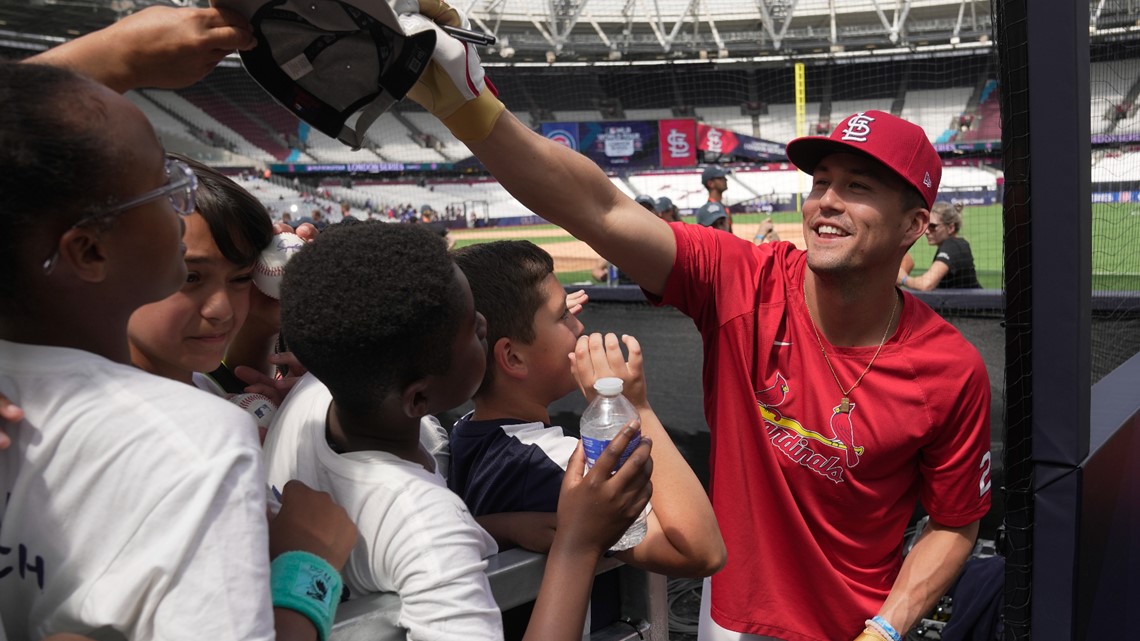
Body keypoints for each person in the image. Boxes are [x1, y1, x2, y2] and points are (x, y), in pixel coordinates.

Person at [395, 11, 992, 640]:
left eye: (858, 186)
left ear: (913, 226)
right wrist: (469, 106)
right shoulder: (743, 280)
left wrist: (887, 629)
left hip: (856, 628)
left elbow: (956, 523)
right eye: (820, 182)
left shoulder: (951, 371)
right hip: (729, 622)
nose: (826, 203)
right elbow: (598, 207)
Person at [0, 60, 356, 641]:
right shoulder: (198, 438)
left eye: (242, 277)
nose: (222, 306)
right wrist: (307, 567)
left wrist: (264, 324)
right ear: (90, 252)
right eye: (161, 191)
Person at [261, 222, 653, 641]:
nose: (484, 323)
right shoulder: (429, 525)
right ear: (417, 399)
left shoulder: (316, 389)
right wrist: (577, 546)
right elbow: (421, 531)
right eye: (469, 328)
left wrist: (492, 526)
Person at [450, 240, 725, 576]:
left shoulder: (462, 432)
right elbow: (701, 551)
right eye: (563, 316)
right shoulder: (554, 465)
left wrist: (546, 318)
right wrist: (634, 406)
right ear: (513, 357)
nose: (580, 326)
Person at [897, 201, 982, 290]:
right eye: (927, 226)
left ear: (950, 228)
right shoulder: (957, 244)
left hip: (969, 303)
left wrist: (903, 278)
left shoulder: (952, 246)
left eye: (932, 226)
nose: (926, 231)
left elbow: (926, 284)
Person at [695, 166, 732, 232]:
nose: (726, 180)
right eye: (721, 178)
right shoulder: (710, 212)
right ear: (710, 183)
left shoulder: (722, 207)